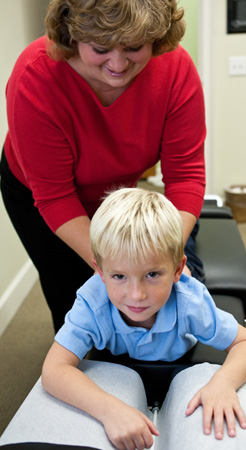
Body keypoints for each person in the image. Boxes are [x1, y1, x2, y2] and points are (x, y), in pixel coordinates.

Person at [0, 0, 206, 333]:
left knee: (152, 292)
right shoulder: (36, 77)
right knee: (77, 296)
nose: (118, 63)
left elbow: (185, 176)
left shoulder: (174, 68)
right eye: (100, 48)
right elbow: (55, 197)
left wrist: (162, 260)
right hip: (44, 197)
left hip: (118, 191)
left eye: (134, 47)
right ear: (71, 35)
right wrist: (116, 270)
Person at [41, 187, 246, 450]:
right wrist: (109, 409)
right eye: (119, 276)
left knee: (187, 259)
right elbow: (53, 369)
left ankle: (185, 254)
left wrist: (223, 384)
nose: (136, 296)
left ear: (175, 270)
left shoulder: (189, 302)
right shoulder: (92, 303)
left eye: (152, 275)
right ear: (100, 273)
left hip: (183, 282)